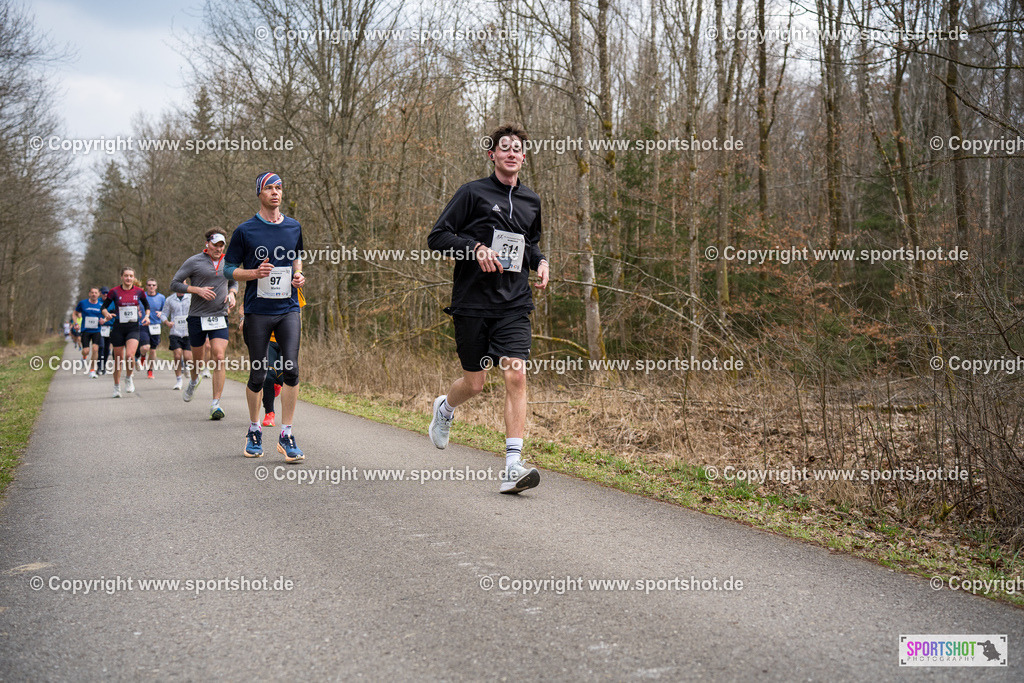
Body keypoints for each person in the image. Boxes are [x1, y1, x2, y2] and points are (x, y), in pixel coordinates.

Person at [426, 124, 550, 494]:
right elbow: (437, 237)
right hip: (472, 303)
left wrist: (540, 262)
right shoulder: (472, 193)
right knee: (475, 383)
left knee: (516, 374)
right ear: (493, 154)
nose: (511, 153)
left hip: (513, 303)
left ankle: (512, 465)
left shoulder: (531, 201)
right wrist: (475, 248)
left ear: (523, 157)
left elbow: (530, 244)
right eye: (504, 148)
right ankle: (445, 408)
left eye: (517, 149)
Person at [225, 172, 305, 461]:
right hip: (258, 310)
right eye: (269, 188)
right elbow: (227, 269)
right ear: (259, 193)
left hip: (288, 308)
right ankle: (254, 428)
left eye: (279, 187)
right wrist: (253, 273)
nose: (275, 192)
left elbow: (297, 255)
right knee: (259, 373)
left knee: (292, 369)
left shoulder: (294, 226)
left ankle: (287, 434)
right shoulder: (245, 231)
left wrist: (298, 274)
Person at [170, 230, 238, 419]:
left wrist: (232, 294)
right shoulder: (194, 261)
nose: (219, 248)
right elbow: (174, 283)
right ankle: (193, 380)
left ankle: (216, 404)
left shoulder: (228, 261)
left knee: (219, 356)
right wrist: (196, 290)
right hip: (197, 316)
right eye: (215, 244)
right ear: (207, 243)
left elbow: (234, 282)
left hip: (219, 315)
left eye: (221, 245)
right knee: (197, 361)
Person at [101, 267, 150, 398]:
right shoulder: (114, 291)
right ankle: (116, 387)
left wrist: (147, 316)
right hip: (118, 328)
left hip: (133, 327)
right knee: (118, 360)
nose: (128, 278)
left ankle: (128, 377)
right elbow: (104, 307)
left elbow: (146, 305)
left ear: (134, 278)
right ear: (121, 277)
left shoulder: (139, 291)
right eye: (126, 276)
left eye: (131, 276)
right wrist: (107, 314)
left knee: (129, 356)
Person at [162, 290, 192, 390]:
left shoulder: (191, 297)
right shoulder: (170, 299)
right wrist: (167, 322)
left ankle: (187, 366)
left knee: (188, 357)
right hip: (175, 332)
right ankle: (179, 380)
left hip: (188, 332)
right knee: (177, 355)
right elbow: (163, 314)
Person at [139, 278, 166, 379]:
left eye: (153, 285)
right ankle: (142, 355)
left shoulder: (161, 297)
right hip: (143, 324)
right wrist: (137, 311)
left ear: (156, 286)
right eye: (149, 285)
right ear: (146, 286)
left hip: (156, 325)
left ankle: (150, 370)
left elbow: (166, 310)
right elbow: (136, 306)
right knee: (145, 347)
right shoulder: (142, 296)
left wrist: (161, 313)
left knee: (153, 350)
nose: (151, 287)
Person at [75, 287, 104, 378]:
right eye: (92, 292)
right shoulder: (83, 303)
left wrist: (104, 320)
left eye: (96, 293)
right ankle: (84, 357)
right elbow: (74, 313)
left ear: (98, 294)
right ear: (89, 294)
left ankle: (92, 370)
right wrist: (76, 323)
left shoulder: (101, 305)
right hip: (86, 331)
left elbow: (105, 316)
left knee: (95, 349)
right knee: (86, 351)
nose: (94, 294)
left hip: (96, 330)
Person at [97, 287, 113, 374]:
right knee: (101, 347)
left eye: (107, 293)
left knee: (107, 348)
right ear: (100, 293)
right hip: (99, 328)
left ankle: (103, 366)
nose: (105, 295)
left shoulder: (112, 302)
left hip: (109, 328)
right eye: (104, 293)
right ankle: (99, 366)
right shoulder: (97, 302)